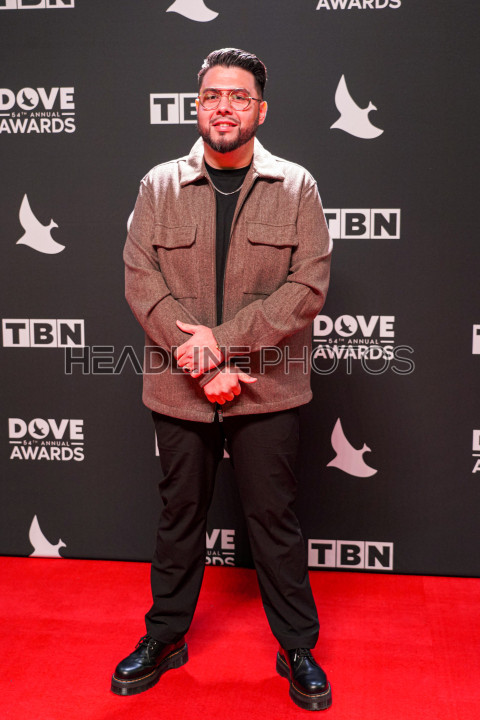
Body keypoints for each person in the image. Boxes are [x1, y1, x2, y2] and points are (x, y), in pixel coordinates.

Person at [112, 48, 333, 712]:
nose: (224, 107)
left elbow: (307, 286)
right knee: (180, 515)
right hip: (180, 386)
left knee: (274, 519)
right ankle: (165, 636)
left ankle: (297, 647)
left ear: (261, 110)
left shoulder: (297, 186)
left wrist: (225, 344)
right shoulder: (158, 185)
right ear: (197, 107)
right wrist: (203, 361)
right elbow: (141, 280)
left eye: (238, 96)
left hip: (268, 387)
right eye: (212, 96)